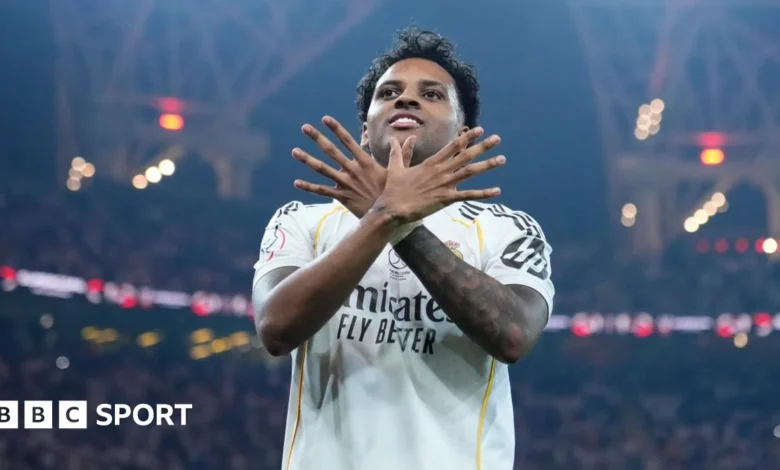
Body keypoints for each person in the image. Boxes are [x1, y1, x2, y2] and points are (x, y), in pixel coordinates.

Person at [252, 27, 554, 470]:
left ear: (463, 134)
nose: (406, 99)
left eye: (431, 94)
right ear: (365, 129)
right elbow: (276, 329)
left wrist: (393, 218)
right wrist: (385, 215)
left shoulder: (505, 228)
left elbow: (513, 335)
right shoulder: (301, 221)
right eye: (389, 92)